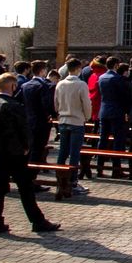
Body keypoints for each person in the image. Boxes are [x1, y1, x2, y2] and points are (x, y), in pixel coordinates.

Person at [0, 73, 60, 235]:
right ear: (12, 86)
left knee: (0, 187)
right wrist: (26, 146)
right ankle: (38, 221)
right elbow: (24, 129)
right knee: (25, 188)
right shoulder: (13, 106)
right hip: (15, 152)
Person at [54, 58, 92, 195]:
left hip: (63, 120)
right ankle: (72, 181)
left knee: (62, 152)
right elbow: (86, 103)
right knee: (74, 153)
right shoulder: (81, 84)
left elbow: (56, 103)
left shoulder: (60, 84)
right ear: (78, 69)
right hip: (76, 121)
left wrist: (60, 112)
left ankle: (59, 179)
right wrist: (87, 117)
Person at [20, 60, 56, 166]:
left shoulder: (25, 85)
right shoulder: (45, 85)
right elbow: (47, 103)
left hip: (28, 119)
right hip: (42, 120)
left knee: (30, 145)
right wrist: (52, 114)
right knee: (39, 146)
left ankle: (28, 166)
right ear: (42, 71)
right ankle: (33, 171)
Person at [96, 57, 132, 156]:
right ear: (116, 65)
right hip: (117, 111)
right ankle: (116, 166)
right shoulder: (117, 78)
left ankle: (100, 164)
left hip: (104, 110)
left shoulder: (101, 77)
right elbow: (124, 96)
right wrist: (127, 111)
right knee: (118, 139)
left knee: (103, 138)